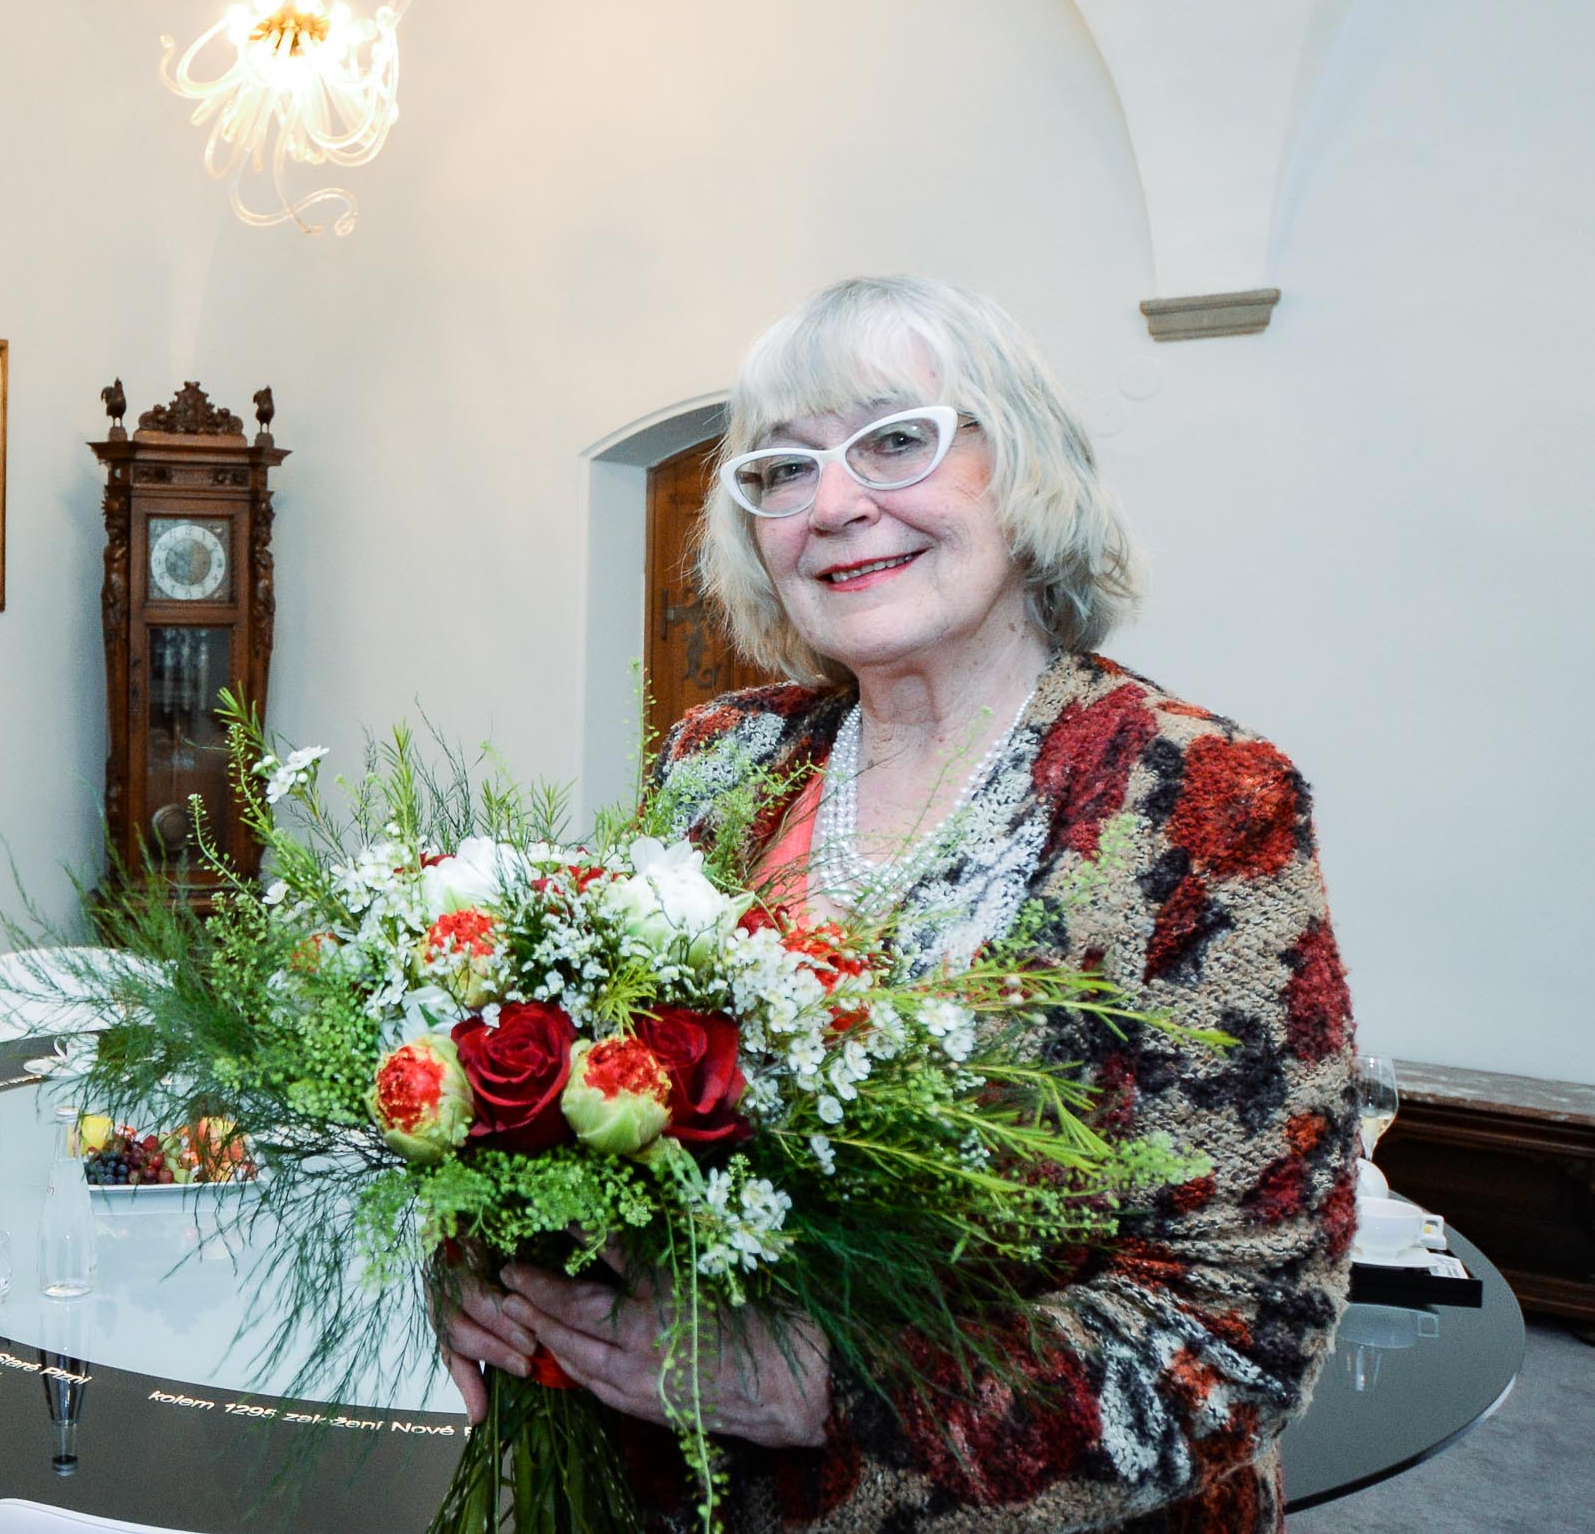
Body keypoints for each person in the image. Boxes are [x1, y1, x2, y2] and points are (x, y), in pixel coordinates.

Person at [444, 276, 1358, 1533]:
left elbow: (1240, 1328)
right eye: (779, 468)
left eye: (895, 440)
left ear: (1023, 468)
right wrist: (490, 1255)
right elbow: (597, 1119)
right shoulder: (719, 761)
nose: (833, 505)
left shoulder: (1196, 796)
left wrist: (836, 1381)